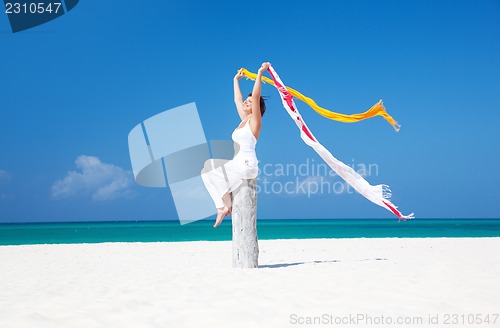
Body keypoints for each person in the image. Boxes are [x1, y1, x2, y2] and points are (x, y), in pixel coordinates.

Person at [201, 62, 269, 228]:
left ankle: (227, 203)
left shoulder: (255, 122)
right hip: (237, 164)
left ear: (255, 108)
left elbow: (256, 93)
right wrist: (235, 80)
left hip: (247, 165)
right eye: (246, 101)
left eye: (250, 101)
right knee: (205, 172)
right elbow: (237, 99)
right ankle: (221, 207)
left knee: (210, 166)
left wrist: (259, 73)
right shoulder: (243, 121)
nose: (246, 102)